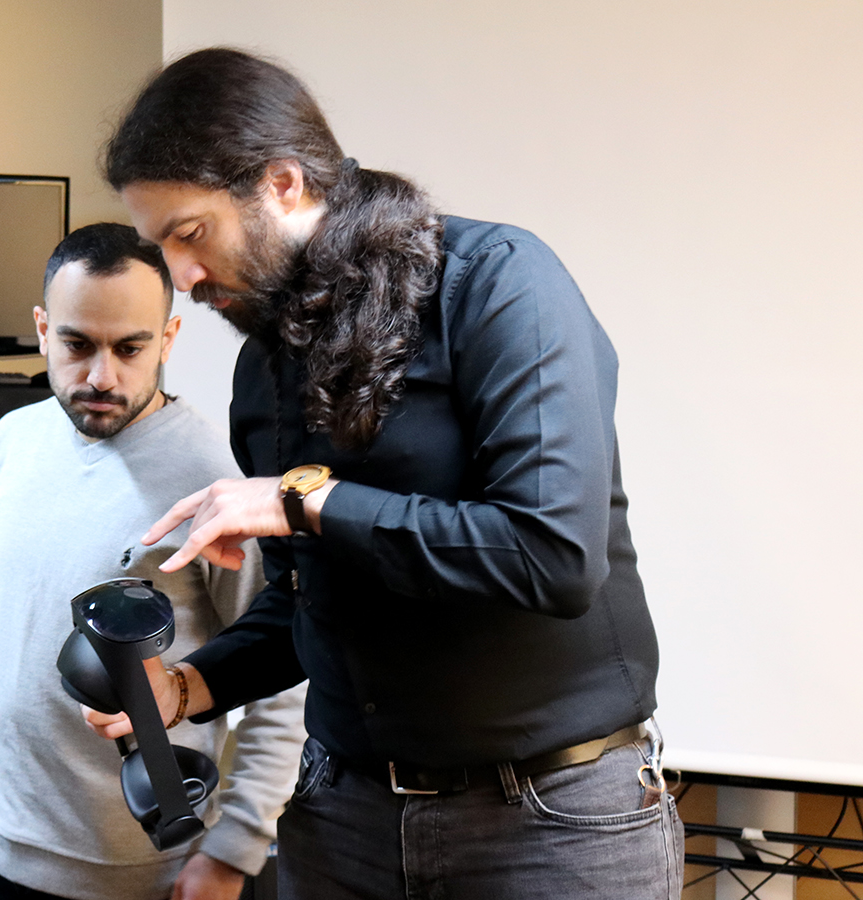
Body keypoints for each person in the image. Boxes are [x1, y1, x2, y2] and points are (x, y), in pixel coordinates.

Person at [83, 48, 683, 900]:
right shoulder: (263, 372)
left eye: (190, 234)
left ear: (282, 184)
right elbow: (308, 596)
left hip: (551, 826)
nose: (180, 278)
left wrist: (305, 501)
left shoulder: (501, 283)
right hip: (344, 819)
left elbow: (551, 555)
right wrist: (190, 686)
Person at [0, 223, 306, 900]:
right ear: (43, 329)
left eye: (130, 348)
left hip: (146, 870)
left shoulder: (214, 478)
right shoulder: (14, 440)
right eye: (78, 345)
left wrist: (235, 847)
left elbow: (285, 675)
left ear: (166, 338)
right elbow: (10, 622)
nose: (102, 376)